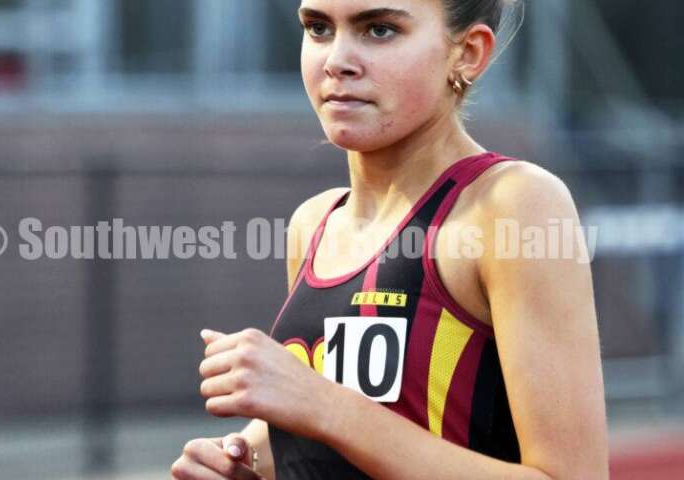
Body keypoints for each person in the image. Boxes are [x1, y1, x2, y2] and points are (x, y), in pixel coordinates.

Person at [172, 0, 609, 478]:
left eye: (379, 30)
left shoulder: (513, 205)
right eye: (318, 28)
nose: (336, 60)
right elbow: (366, 427)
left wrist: (323, 404)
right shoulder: (314, 223)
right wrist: (246, 457)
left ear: (467, 53)